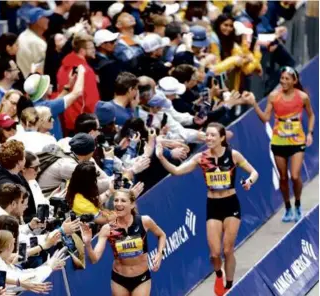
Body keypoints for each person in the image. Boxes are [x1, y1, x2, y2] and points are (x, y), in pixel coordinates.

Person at [155, 122, 259, 295]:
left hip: (231, 203)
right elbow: (176, 171)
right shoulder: (200, 158)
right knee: (215, 254)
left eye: (213, 135)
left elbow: (254, 172)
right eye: (207, 135)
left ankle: (229, 287)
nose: (209, 138)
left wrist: (249, 182)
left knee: (228, 249)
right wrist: (161, 157)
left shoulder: (233, 155)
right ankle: (219, 274)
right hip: (213, 206)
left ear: (222, 138)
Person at [249, 66, 315, 222]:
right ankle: (287, 207)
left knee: (296, 175)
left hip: (297, 140)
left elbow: (311, 116)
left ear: (294, 80)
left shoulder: (302, 97)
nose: (283, 82)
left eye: (287, 79)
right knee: (284, 178)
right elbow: (265, 118)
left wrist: (310, 133)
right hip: (279, 141)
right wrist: (254, 104)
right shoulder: (273, 96)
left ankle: (298, 204)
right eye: (282, 78)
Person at [81, 189, 166, 296]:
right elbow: (94, 259)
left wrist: (159, 253)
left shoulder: (144, 221)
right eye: (116, 200)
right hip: (119, 280)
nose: (118, 204)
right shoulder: (107, 229)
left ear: (132, 205)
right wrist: (88, 244)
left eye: (123, 201)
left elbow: (162, 235)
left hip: (141, 278)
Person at [0, 230, 66, 293]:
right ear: (10, 245)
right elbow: (26, 282)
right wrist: (49, 267)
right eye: (14, 242)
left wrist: (46, 264)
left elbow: (19, 258)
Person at [57, 33, 100, 134]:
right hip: (82, 123)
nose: (94, 50)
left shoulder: (62, 68)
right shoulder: (86, 71)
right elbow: (91, 101)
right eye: (91, 48)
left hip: (65, 120)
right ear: (82, 51)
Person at [16, 7, 52, 78]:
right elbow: (42, 69)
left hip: (26, 79)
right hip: (34, 83)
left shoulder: (23, 35)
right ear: (38, 21)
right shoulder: (37, 42)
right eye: (45, 17)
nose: (48, 20)